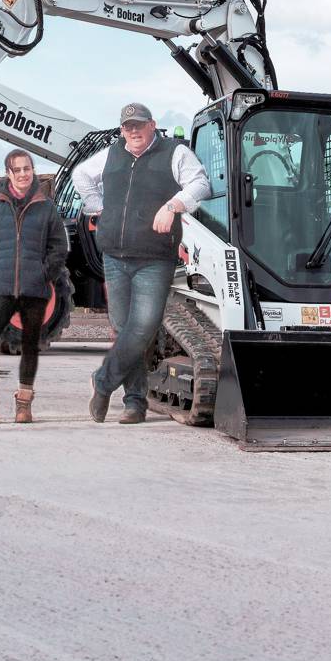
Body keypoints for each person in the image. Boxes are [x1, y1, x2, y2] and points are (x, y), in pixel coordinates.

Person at [72, 103, 211, 424]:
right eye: (126, 127)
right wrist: (100, 207)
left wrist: (174, 205)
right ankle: (135, 402)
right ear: (121, 131)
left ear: (152, 125)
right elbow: (81, 174)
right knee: (124, 329)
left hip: (155, 257)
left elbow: (201, 183)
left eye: (138, 125)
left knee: (143, 326)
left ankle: (103, 381)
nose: (132, 131)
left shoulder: (174, 153)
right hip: (115, 256)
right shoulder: (111, 154)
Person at [0, 149, 68, 424]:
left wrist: (43, 273)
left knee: (30, 345)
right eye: (18, 169)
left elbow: (59, 247)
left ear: (32, 171)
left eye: (28, 168)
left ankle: (24, 404)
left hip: (34, 289)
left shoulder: (46, 206)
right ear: (8, 174)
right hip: (0, 286)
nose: (24, 173)